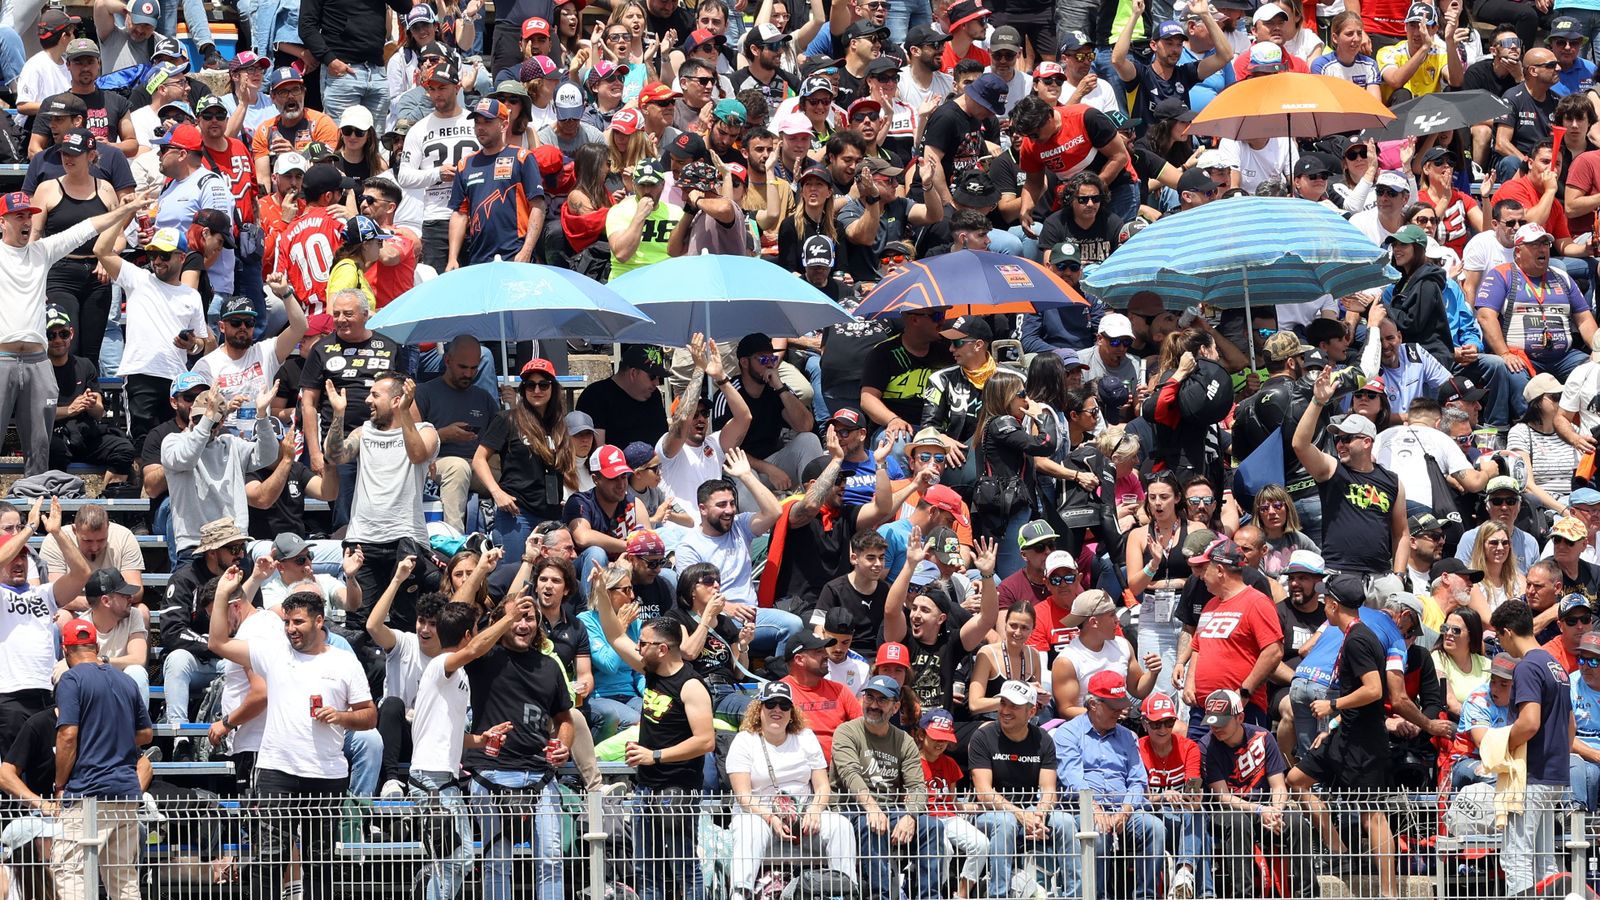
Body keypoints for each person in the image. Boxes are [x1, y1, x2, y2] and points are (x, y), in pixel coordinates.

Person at [205, 568, 377, 900]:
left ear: (319, 621)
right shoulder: (273, 652)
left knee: (319, 862)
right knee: (268, 861)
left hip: (326, 774)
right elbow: (218, 642)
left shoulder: (345, 662)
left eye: (297, 622)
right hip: (276, 772)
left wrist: (340, 716)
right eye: (286, 622)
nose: (290, 629)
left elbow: (370, 715)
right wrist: (223, 594)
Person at [0, 187, 150, 477]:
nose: (27, 222)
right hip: (3, 357)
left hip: (37, 360)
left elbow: (85, 229)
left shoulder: (41, 251)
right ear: (2, 222)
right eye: (18, 216)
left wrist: (125, 210)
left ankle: (36, 503)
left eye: (29, 215)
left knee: (40, 444)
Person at [594, 573, 717, 900]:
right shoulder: (652, 671)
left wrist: (655, 755)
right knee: (646, 866)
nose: (638, 646)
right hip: (647, 786)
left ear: (663, 649)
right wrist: (600, 594)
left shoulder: (691, 687)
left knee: (682, 864)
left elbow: (705, 741)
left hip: (677, 789)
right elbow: (614, 635)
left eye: (645, 643)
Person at [1286, 572, 1399, 898]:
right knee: (1296, 780)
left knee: (1371, 817)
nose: (1323, 605)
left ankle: (1389, 892)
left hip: (1364, 742)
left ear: (1334, 605)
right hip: (1343, 735)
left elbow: (1374, 690)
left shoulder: (1360, 639)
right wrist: (1333, 727)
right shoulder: (1352, 635)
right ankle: (1338, 850)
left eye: (1326, 601)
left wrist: (1333, 704)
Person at [725, 681, 858, 898]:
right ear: (759, 709)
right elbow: (743, 796)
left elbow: (823, 785)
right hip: (759, 816)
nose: (777, 710)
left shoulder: (805, 737)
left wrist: (815, 810)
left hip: (803, 816)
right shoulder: (744, 741)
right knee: (751, 829)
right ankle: (741, 893)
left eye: (784, 705)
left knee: (840, 826)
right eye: (771, 704)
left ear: (791, 713)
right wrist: (770, 818)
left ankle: (844, 890)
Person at [50, 619, 151, 900]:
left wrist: (60, 784)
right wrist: (114, 736)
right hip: (125, 792)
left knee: (70, 870)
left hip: (88, 792)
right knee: (123, 879)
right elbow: (145, 733)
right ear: (96, 646)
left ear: (65, 649)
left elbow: (68, 735)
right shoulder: (126, 680)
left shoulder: (71, 679)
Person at [830, 675, 944, 900]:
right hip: (850, 810)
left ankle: (928, 897)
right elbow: (850, 774)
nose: (873, 705)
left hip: (890, 811)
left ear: (896, 706)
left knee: (933, 827)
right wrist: (872, 808)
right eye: (869, 697)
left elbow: (917, 787)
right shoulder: (846, 732)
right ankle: (879, 896)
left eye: (882, 700)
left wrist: (911, 815)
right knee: (872, 826)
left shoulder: (904, 741)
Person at [1492, 599, 1575, 895]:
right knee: (1544, 860)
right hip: (1555, 773)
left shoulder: (1527, 666)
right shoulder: (1557, 665)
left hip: (1532, 775)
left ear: (1506, 632)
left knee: (1516, 856)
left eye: (1499, 639)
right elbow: (1570, 726)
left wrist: (1500, 744)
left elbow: (1528, 723)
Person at [1293, 366, 1407, 575]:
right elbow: (1300, 445)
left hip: (1380, 577)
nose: (1340, 445)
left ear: (1366, 442)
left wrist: (1398, 576)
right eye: (1338, 439)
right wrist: (1317, 402)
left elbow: (1402, 534)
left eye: (1347, 438)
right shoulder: (1332, 470)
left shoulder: (1392, 481)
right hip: (1339, 572)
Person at [971, 679, 1077, 898]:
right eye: (1003, 704)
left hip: (1030, 810)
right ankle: (998, 895)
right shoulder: (984, 736)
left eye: (1014, 706)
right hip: (991, 812)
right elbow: (983, 792)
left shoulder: (1043, 739)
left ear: (1031, 711)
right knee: (1005, 822)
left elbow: (1049, 790)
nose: (1005, 711)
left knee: (1066, 822)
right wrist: (1021, 815)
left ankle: (1074, 895)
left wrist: (1040, 814)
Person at [0, 499, 89, 738]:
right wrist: (29, 528)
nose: (18, 562)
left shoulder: (43, 593)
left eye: (23, 556)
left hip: (45, 694)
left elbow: (82, 574)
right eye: (13, 556)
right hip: (8, 696)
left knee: (44, 773)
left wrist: (58, 534)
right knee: (10, 772)